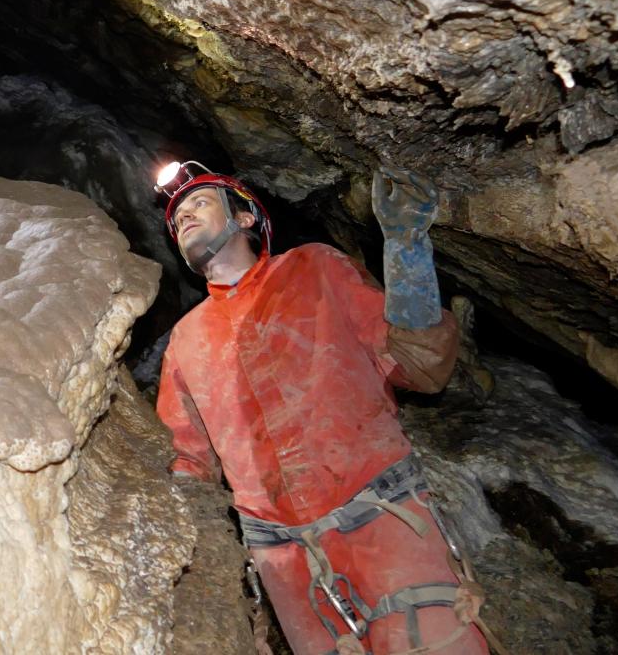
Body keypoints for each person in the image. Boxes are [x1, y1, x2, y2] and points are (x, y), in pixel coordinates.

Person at [152, 161, 490, 655]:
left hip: (382, 513)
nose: (183, 216)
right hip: (283, 554)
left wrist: (407, 248)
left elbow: (418, 363)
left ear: (245, 218)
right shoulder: (185, 340)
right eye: (177, 217)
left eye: (199, 203)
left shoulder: (314, 267)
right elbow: (186, 458)